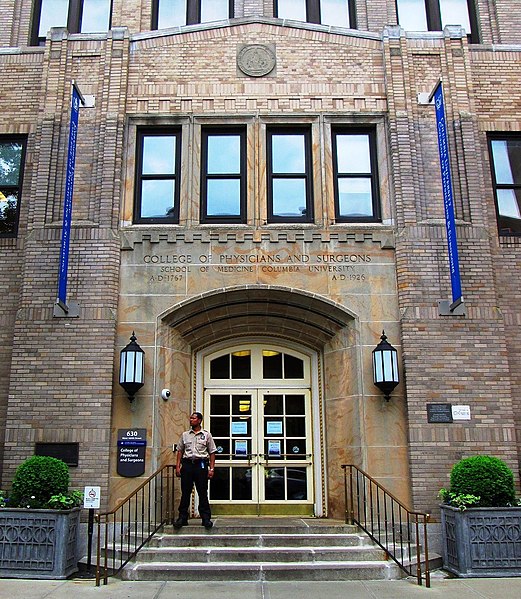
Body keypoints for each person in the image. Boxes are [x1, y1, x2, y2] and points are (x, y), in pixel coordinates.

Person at [174, 411, 217, 529]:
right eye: (191, 418)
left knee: (202, 492)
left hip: (201, 464)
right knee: (185, 492)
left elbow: (212, 452)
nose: (191, 420)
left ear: (199, 420)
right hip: (187, 464)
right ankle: (182, 517)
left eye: (193, 418)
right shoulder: (185, 435)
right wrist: (178, 466)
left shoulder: (207, 435)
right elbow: (180, 451)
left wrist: (211, 468)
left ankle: (206, 518)